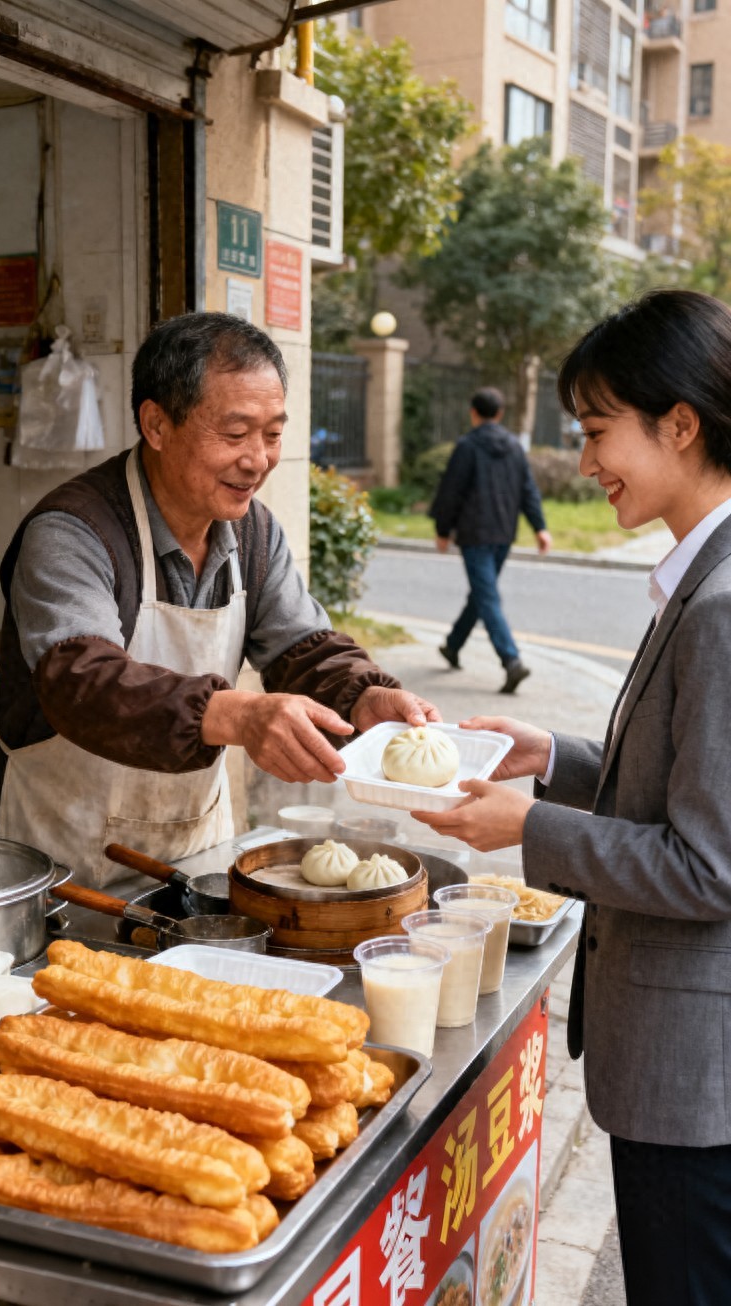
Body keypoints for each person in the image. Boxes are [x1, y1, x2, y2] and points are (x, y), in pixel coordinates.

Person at [411, 288, 731, 1305]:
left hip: (695, 1082)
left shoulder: (721, 606)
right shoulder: (698, 574)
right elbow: (682, 769)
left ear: (680, 425)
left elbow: (708, 865)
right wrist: (552, 753)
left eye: (599, 431)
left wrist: (528, 828)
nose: (586, 462)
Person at [0, 312, 437, 885]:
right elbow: (81, 681)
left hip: (192, 855)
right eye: (235, 433)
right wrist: (235, 714)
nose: (259, 459)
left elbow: (300, 646)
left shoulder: (254, 534)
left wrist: (363, 695)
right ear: (157, 425)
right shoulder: (74, 531)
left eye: (272, 434)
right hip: (56, 855)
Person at [430, 387, 552, 692]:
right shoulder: (513, 446)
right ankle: (453, 645)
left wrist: (443, 530)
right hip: (503, 533)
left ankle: (511, 661)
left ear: (473, 412)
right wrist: (540, 527)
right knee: (482, 594)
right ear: (499, 414)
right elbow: (528, 489)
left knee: (486, 597)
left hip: (475, 535)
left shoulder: (467, 446)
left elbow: (451, 491)